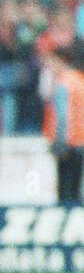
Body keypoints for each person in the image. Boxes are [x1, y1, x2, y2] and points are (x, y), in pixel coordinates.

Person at [43, 42, 84, 204]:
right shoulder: (80, 80)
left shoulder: (63, 83)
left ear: (61, 61)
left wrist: (60, 143)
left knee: (65, 190)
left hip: (68, 142)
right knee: (76, 188)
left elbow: (62, 116)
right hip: (80, 140)